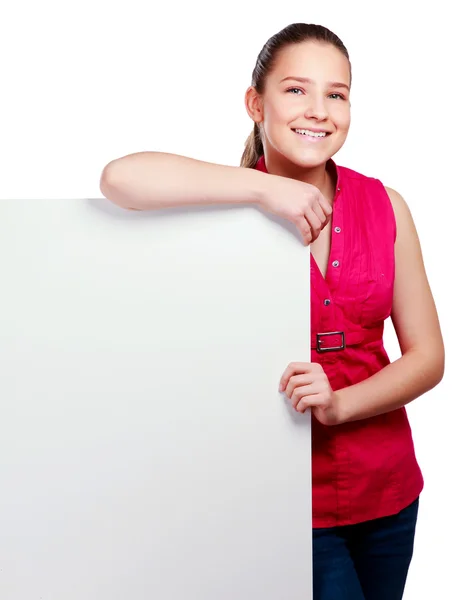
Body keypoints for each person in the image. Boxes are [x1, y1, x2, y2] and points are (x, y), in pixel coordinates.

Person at [99, 22, 444, 600]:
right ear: (255, 103)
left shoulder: (387, 204)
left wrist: (340, 405)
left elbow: (428, 357)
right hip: (279, 500)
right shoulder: (228, 206)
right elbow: (119, 178)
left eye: (336, 93)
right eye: (295, 90)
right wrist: (263, 189)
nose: (319, 110)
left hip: (388, 491)